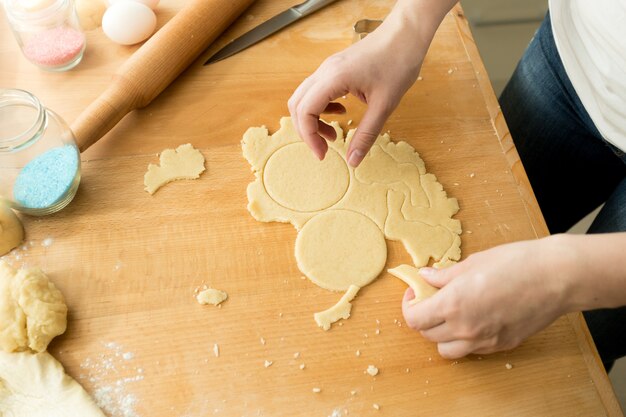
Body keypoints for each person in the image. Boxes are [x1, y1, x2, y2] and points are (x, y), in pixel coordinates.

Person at [288, 0, 626, 371]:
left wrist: (561, 277)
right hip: (577, 55)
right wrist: (410, 22)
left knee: (572, 356)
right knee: (481, 257)